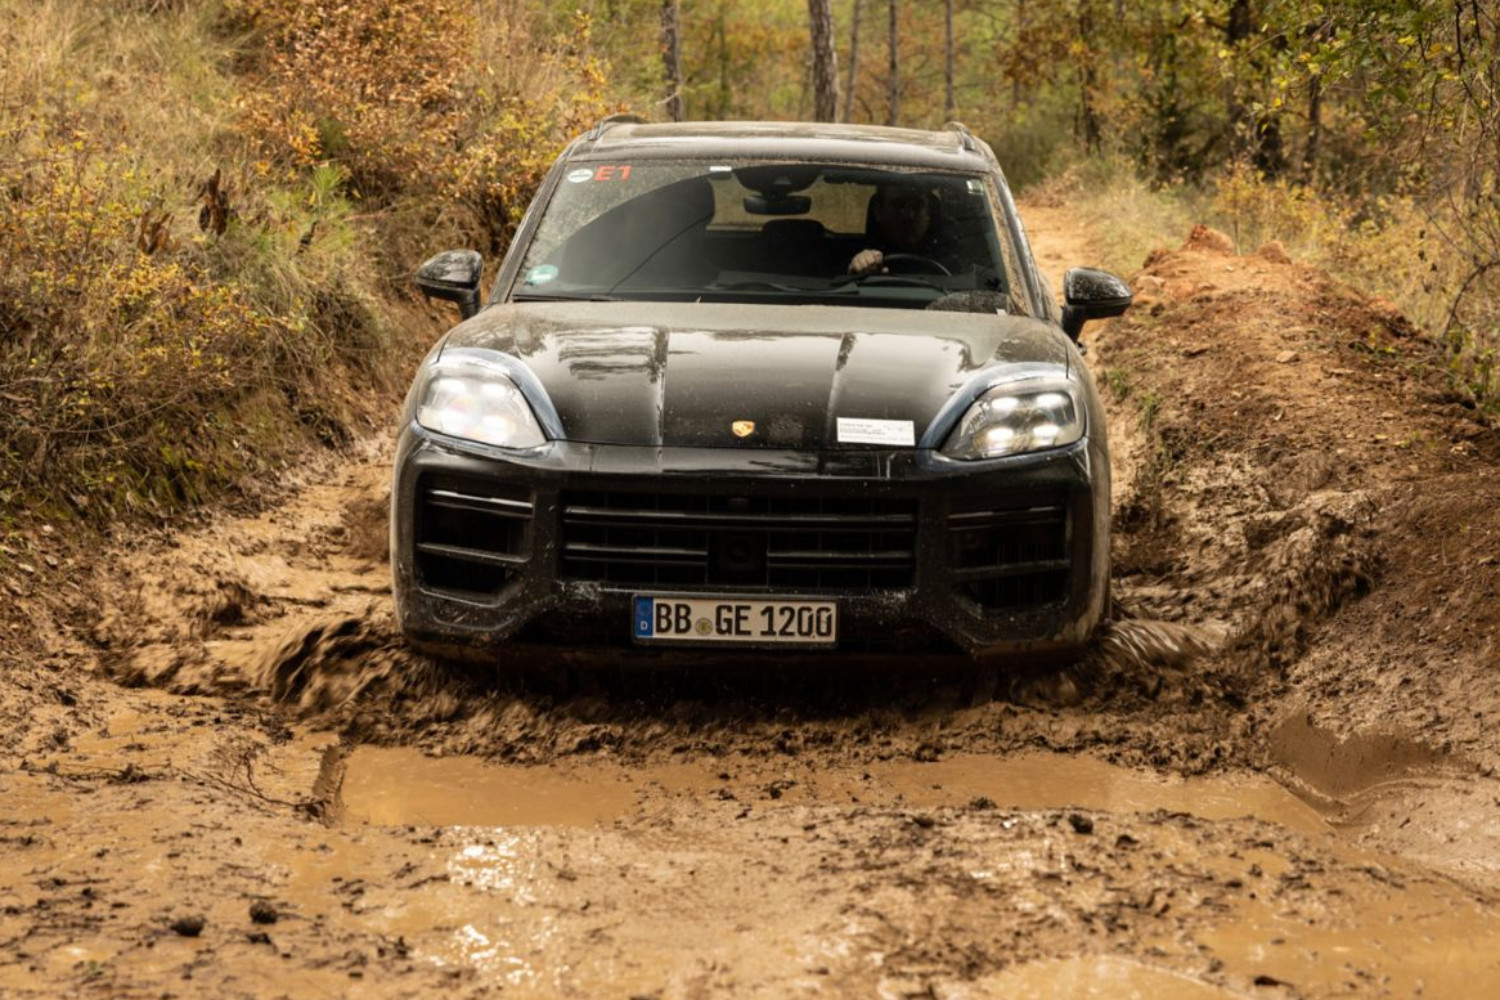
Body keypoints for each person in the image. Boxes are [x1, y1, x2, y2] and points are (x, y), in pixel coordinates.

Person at [847, 181, 944, 276]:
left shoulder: (952, 260)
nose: (908, 216)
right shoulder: (856, 255)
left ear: (930, 212)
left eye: (917, 206)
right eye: (898, 206)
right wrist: (859, 269)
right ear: (878, 211)